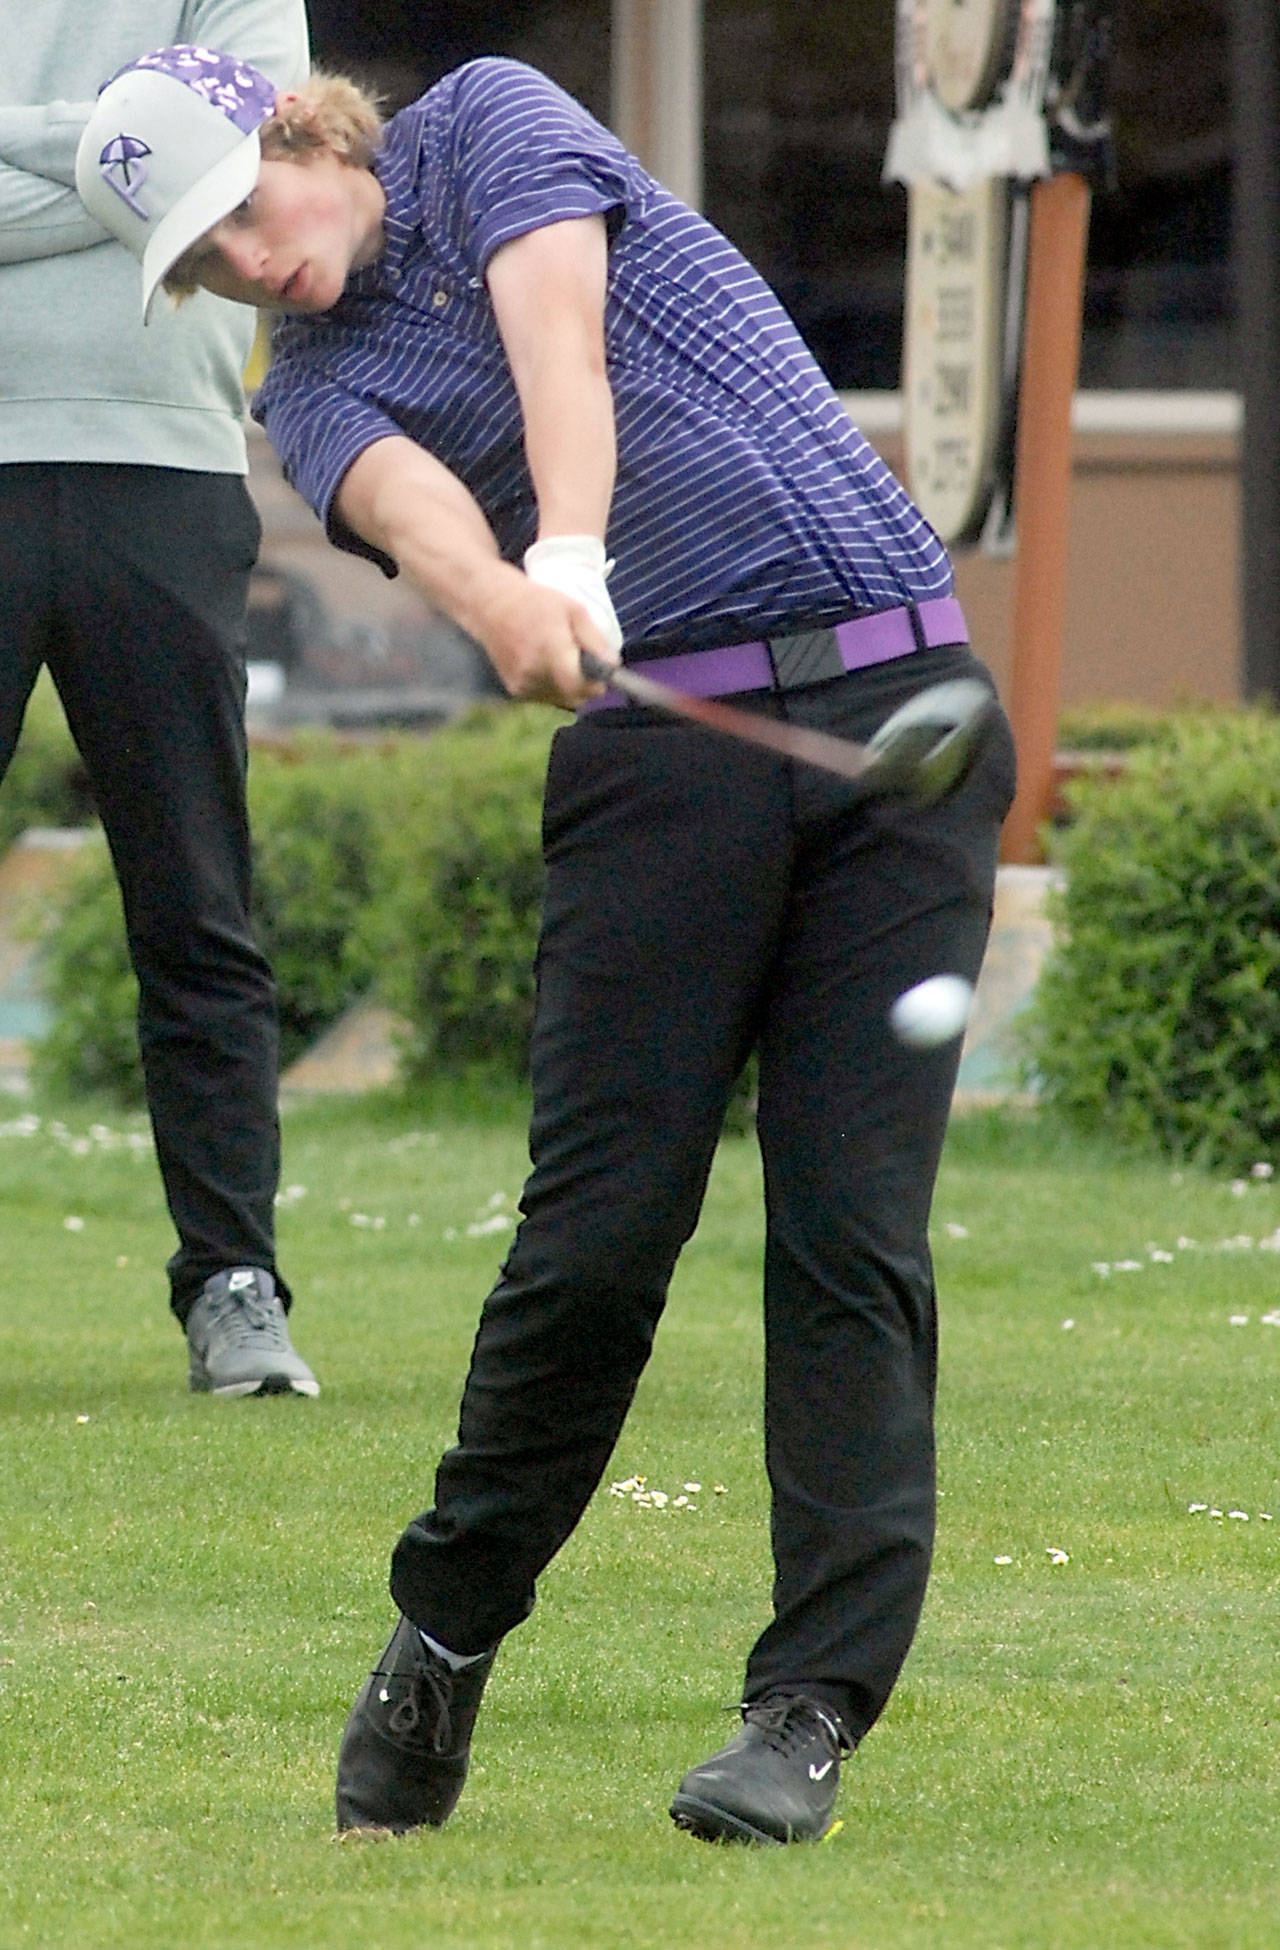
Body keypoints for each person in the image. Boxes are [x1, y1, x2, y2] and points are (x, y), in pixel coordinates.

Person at [80, 48, 1017, 1842]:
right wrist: (515, 600)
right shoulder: (315, 394)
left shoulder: (494, 121)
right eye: (201, 265)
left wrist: (572, 542)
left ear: (297, 136)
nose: (246, 269)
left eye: (240, 216)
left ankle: (805, 1710)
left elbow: (556, 343)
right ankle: (444, 1630)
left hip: (909, 711)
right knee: (593, 1249)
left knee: (850, 1235)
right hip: (665, 771)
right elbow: (426, 523)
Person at [0, 6, 319, 1397]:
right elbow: (164, 172)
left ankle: (235, 1283)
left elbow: (242, 157)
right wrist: (124, 170)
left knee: (196, 902)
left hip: (169, 469)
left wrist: (42, 155)